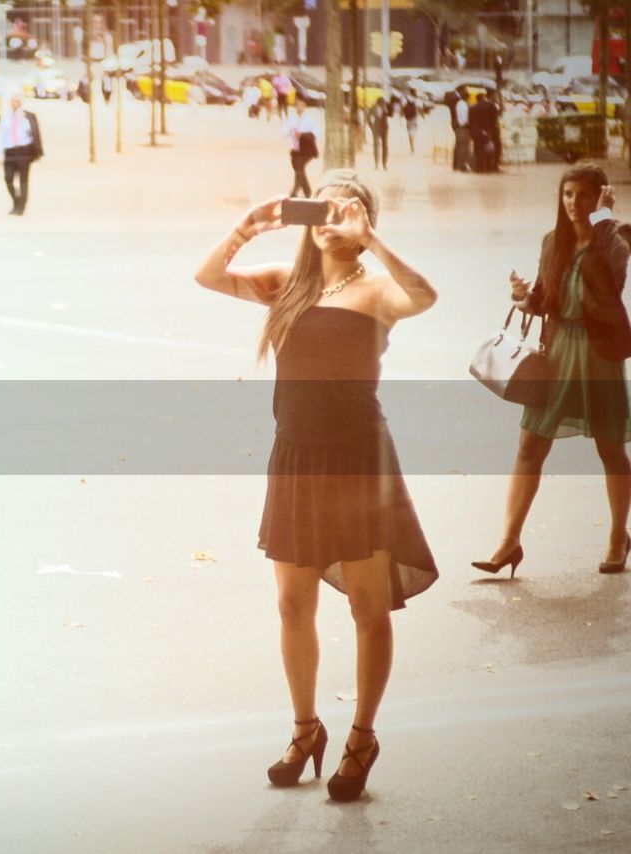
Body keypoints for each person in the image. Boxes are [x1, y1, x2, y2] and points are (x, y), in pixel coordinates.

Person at [193, 170, 439, 803]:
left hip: (358, 460)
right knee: (291, 604)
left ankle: (361, 736)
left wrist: (373, 240)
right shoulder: (286, 282)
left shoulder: (379, 290)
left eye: (345, 211)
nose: (330, 219)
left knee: (367, 607)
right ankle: (306, 730)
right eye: (322, 209)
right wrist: (248, 225)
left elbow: (426, 296)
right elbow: (208, 276)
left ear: (362, 221)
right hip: (296, 458)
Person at [476, 166, 631, 578]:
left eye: (583, 195)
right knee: (529, 445)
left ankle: (618, 536)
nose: (574, 203)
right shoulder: (552, 242)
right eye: (567, 195)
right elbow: (544, 300)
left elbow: (608, 283)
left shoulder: (615, 240)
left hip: (599, 357)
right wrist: (524, 297)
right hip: (559, 352)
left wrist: (604, 220)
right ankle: (508, 541)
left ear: (598, 197)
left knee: (611, 448)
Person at [0, 94, 43, 216]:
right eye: (12, 101)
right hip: (9, 151)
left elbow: (34, 134)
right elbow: (0, 136)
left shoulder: (27, 116)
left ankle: (22, 206)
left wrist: (23, 121)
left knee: (23, 180)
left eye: (16, 101)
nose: (14, 103)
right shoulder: (6, 117)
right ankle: (16, 201)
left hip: (23, 151)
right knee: (8, 179)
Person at [284, 94, 317, 198]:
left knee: (299, 169)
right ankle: (308, 193)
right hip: (295, 150)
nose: (300, 107)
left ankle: (295, 193)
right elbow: (283, 131)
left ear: (305, 106)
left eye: (302, 105)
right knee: (299, 170)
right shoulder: (292, 118)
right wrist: (290, 130)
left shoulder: (309, 119)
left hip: (306, 150)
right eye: (298, 105)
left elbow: (315, 135)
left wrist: (302, 134)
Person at [469, 92, 498, 173]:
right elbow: (494, 119)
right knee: (488, 149)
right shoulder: (490, 106)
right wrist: (490, 130)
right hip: (486, 131)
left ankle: (479, 167)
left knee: (478, 150)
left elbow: (470, 121)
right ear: (483, 98)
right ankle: (488, 167)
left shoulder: (472, 108)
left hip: (475, 132)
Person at [450, 90, 471, 173]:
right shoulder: (463, 105)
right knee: (463, 147)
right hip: (462, 127)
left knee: (458, 145)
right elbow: (465, 118)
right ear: (467, 97)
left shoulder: (458, 103)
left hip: (458, 126)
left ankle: (456, 165)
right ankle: (462, 165)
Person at [369, 98, 389, 171]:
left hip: (384, 129)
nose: (382, 104)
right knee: (376, 146)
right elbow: (369, 117)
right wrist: (371, 126)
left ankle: (384, 164)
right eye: (382, 103)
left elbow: (390, 114)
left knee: (385, 146)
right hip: (377, 129)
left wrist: (386, 110)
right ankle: (376, 163)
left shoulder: (385, 108)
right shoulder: (373, 108)